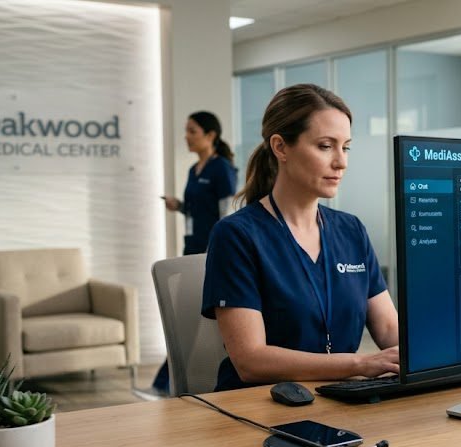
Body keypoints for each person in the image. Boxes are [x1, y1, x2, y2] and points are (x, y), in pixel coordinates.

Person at [201, 84, 399, 391]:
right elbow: (250, 360)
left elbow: (388, 328)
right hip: (260, 406)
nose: (341, 162)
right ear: (280, 147)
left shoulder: (351, 231)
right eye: (325, 146)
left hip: (340, 399)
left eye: (345, 147)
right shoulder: (236, 235)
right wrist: (359, 365)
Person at [151, 111, 237, 394]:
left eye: (192, 131)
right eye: (186, 131)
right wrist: (179, 206)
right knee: (182, 317)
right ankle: (170, 381)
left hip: (212, 253)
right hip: (191, 249)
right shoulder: (193, 170)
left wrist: (218, 250)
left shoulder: (221, 168)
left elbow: (226, 214)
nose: (186, 137)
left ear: (210, 135)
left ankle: (168, 383)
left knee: (197, 321)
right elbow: (197, 211)